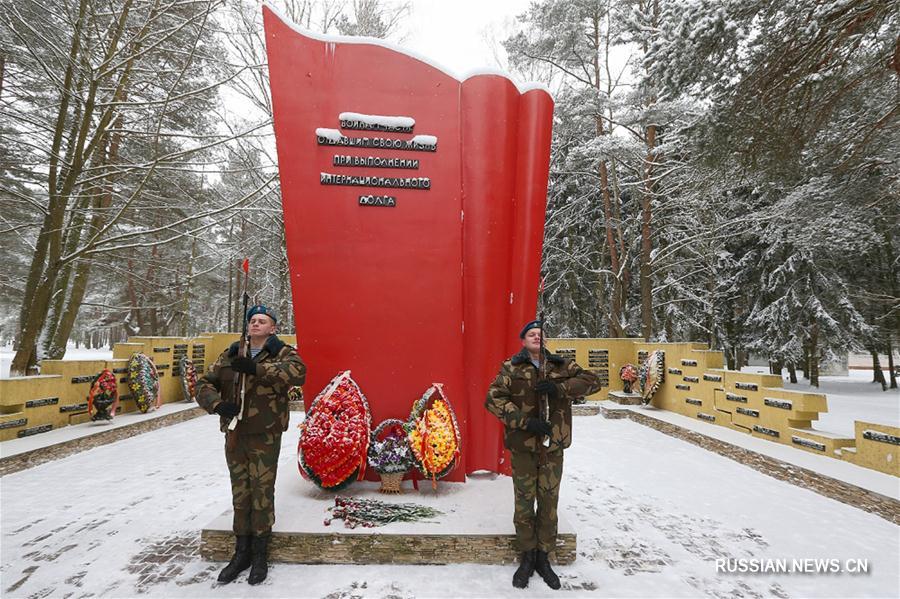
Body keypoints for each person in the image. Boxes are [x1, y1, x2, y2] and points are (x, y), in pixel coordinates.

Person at [485, 320, 601, 590]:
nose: (537, 337)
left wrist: (559, 388)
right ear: (523, 340)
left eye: (540, 334)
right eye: (531, 334)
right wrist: (525, 422)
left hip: (552, 447)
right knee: (524, 502)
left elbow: (592, 382)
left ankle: (543, 557)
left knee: (548, 501)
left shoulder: (562, 366)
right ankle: (526, 556)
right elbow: (493, 398)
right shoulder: (511, 367)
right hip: (524, 446)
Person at [196, 305, 306, 585]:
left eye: (262, 321)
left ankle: (260, 554)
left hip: (264, 434)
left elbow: (297, 373)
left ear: (272, 328)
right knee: (240, 491)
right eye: (252, 320)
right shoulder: (231, 354)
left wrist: (257, 369)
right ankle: (241, 551)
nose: (255, 324)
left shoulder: (282, 352)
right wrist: (218, 405)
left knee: (261, 492)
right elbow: (204, 384)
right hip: (235, 432)